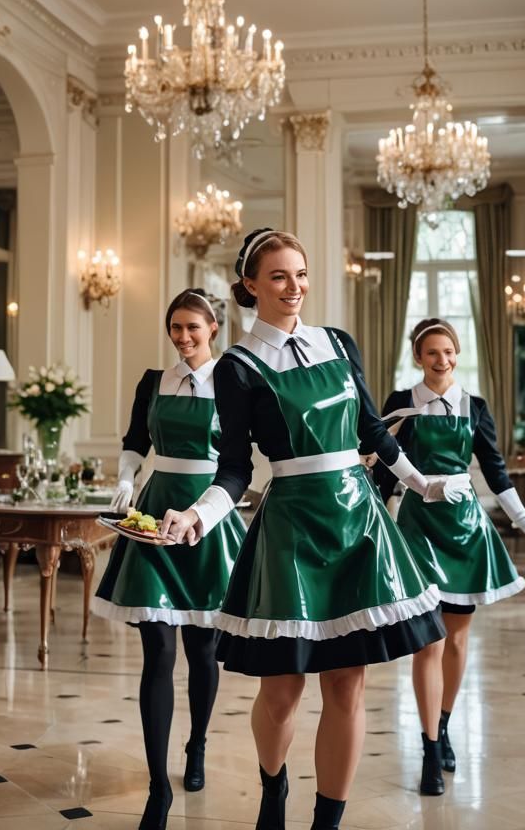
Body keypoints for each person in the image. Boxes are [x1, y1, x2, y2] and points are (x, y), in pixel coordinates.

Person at [162, 229, 457, 830]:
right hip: (291, 527)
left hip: (357, 522)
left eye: (300, 273)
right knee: (282, 691)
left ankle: (327, 821)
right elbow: (236, 468)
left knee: (347, 685)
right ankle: (274, 787)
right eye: (278, 276)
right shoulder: (238, 367)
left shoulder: (338, 343)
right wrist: (197, 515)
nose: (294, 286)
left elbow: (372, 433)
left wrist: (423, 484)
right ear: (250, 286)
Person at [373, 317, 525, 796]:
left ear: (457, 354)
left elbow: (495, 471)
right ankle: (431, 748)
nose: (442, 360)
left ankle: (446, 722)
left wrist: (524, 521)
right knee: (428, 643)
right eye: (432, 353)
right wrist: (363, 520)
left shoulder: (474, 407)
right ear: (418, 357)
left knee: (455, 641)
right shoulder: (400, 404)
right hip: (418, 528)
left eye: (449, 352)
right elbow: (386, 474)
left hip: (464, 530)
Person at [92, 289, 247, 830]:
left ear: (213, 329)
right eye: (175, 328)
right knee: (157, 649)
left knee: (203, 651)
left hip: (207, 515)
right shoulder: (150, 381)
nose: (182, 338)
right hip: (155, 514)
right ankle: (158, 786)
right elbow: (136, 441)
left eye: (192, 329)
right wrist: (124, 479)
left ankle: (197, 746)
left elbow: (240, 460)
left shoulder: (234, 381)